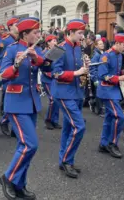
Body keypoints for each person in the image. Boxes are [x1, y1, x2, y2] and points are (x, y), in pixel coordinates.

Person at [0, 17, 50, 200]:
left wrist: (37, 58)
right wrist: (16, 64)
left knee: (25, 146)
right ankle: (8, 178)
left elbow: (48, 69)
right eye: (35, 32)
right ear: (25, 34)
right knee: (30, 144)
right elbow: (2, 76)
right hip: (16, 103)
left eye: (38, 32)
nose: (38, 35)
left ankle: (20, 185)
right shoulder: (12, 49)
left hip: (32, 102)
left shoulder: (37, 50)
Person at [52, 19, 89, 179]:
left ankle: (64, 160)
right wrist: (76, 73)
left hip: (77, 92)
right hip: (64, 93)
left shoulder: (79, 48)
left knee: (69, 128)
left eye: (83, 33)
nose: (82, 36)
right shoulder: (58, 48)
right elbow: (55, 73)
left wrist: (86, 67)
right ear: (71, 32)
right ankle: (67, 160)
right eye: (80, 33)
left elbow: (79, 68)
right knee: (79, 127)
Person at [97, 33, 124, 159]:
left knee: (109, 118)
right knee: (119, 117)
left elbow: (116, 71)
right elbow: (102, 75)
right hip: (107, 90)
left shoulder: (120, 55)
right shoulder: (106, 56)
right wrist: (119, 77)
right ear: (117, 43)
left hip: (114, 90)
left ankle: (103, 143)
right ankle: (112, 143)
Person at [41, 34, 61, 130]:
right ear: (48, 43)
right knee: (52, 99)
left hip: (55, 78)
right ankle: (48, 120)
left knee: (57, 100)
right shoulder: (45, 53)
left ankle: (55, 121)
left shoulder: (57, 52)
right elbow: (44, 68)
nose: (55, 42)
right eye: (53, 41)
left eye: (56, 41)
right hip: (47, 79)